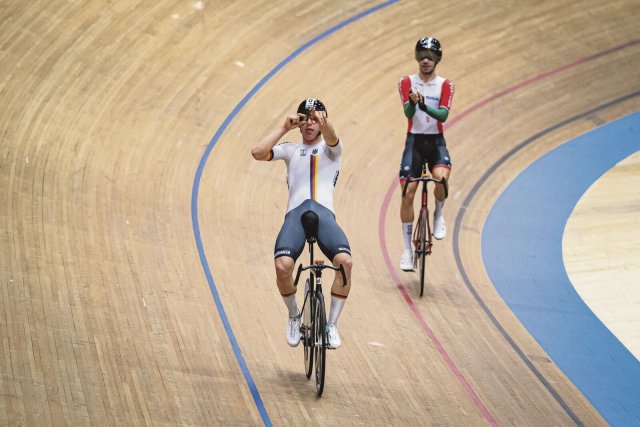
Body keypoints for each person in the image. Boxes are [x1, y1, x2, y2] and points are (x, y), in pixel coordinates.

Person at [251, 98, 352, 349]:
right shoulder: (291, 149)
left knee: (345, 263)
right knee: (283, 266)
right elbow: (258, 153)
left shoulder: (332, 149)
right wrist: (284, 127)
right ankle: (294, 315)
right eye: (305, 118)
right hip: (296, 215)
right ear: (299, 123)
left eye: (315, 119)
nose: (310, 123)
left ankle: (331, 325)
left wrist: (324, 122)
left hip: (324, 216)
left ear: (323, 121)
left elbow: (332, 136)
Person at [397, 36, 454, 271]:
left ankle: (438, 215)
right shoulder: (406, 82)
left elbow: (442, 116)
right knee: (407, 192)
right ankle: (407, 251)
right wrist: (413, 102)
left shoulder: (445, 85)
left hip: (436, 142)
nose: (425, 60)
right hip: (415, 143)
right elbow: (408, 114)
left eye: (430, 56)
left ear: (437, 59)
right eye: (421, 55)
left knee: (441, 179)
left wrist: (423, 105)